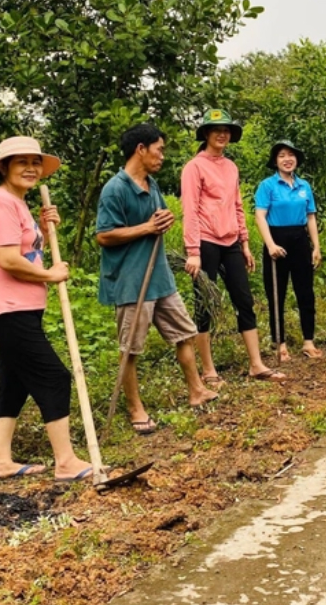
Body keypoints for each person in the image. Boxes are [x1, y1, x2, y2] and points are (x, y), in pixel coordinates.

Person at [0, 136, 94, 482]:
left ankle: (0, 462)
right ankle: (67, 461)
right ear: (3, 168)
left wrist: (42, 230)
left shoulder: (17, 204)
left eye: (35, 162)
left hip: (19, 307)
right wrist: (50, 274)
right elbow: (8, 260)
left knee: (13, 383)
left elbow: (22, 249)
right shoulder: (0, 202)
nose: (30, 168)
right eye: (20, 162)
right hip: (7, 308)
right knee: (54, 377)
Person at [96, 123, 216, 435]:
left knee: (183, 333)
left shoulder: (152, 184)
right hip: (131, 281)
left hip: (160, 277)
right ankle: (136, 409)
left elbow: (160, 217)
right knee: (131, 349)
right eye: (159, 149)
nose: (162, 156)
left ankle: (197, 390)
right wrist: (146, 228)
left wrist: (165, 219)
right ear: (141, 149)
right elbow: (105, 235)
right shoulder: (116, 189)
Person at [182, 108, 286, 383]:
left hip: (230, 242)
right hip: (205, 242)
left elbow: (238, 206)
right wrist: (193, 252)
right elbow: (190, 210)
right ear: (206, 133)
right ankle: (208, 369)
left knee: (244, 300)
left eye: (226, 130)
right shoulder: (194, 167)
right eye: (217, 129)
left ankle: (256, 364)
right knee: (206, 303)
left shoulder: (231, 167)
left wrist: (245, 243)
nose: (222, 134)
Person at [254, 139, 323, 362]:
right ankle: (280, 343)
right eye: (282, 155)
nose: (287, 159)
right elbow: (260, 216)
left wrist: (316, 247)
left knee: (305, 293)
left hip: (300, 240)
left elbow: (311, 216)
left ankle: (308, 341)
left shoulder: (304, 186)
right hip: (276, 239)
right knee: (277, 293)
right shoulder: (267, 186)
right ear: (275, 161)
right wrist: (271, 244)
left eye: (291, 155)